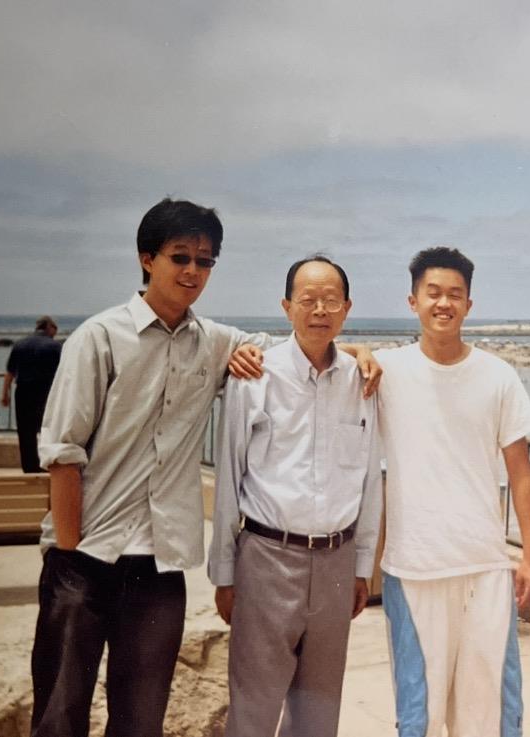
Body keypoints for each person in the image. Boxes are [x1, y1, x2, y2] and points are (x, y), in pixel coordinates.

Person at [28, 199, 379, 737]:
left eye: (205, 260)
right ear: (147, 259)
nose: (193, 271)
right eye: (180, 257)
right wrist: (72, 553)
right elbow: (62, 455)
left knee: (141, 721)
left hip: (159, 568)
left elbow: (304, 342)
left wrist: (354, 347)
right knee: (59, 717)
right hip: (85, 560)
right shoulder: (97, 339)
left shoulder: (218, 344)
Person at [208, 256, 383, 737]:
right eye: (308, 300)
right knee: (253, 710)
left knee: (318, 716)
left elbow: (370, 482)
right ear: (287, 307)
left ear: (346, 309)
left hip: (336, 561)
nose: (319, 310)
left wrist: (362, 567)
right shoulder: (255, 376)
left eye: (331, 300)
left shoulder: (363, 381)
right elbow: (230, 476)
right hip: (266, 559)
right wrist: (225, 572)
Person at [374, 247, 530, 737]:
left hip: (486, 566)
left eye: (454, 294)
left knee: (491, 712)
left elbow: (521, 470)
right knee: (419, 714)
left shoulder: (498, 375)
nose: (443, 303)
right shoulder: (386, 370)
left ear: (469, 304)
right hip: (413, 566)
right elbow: (324, 355)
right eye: (433, 293)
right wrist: (358, 351)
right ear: (412, 301)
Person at [1, 316, 62, 472]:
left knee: (25, 430)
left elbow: (10, 372)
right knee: (49, 428)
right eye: (55, 329)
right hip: (46, 392)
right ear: (50, 327)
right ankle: (48, 463)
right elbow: (64, 373)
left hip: (23, 392)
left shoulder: (20, 344)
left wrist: (4, 394)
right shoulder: (55, 346)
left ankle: (29, 466)